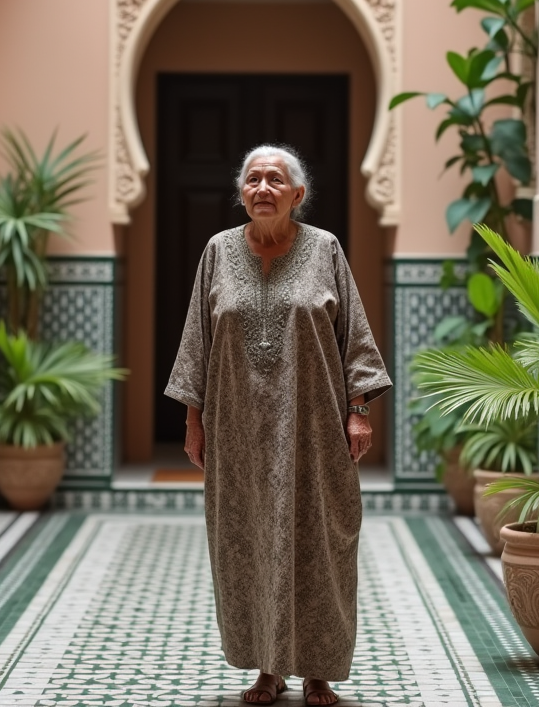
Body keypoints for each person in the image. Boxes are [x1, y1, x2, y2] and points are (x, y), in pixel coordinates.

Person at [165, 145, 392, 705]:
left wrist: (358, 410)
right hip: (237, 430)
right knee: (247, 543)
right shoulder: (217, 251)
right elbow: (197, 341)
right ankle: (267, 667)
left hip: (316, 428)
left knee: (320, 541)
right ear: (241, 192)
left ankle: (318, 670)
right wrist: (194, 420)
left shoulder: (325, 250)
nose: (262, 188)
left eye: (275, 179)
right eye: (253, 179)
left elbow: (354, 339)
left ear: (298, 194)